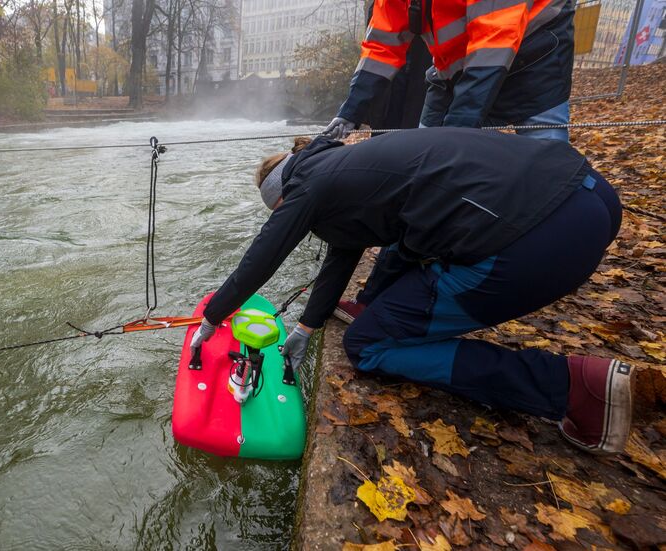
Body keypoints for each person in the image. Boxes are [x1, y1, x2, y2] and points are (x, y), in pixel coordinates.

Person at [189, 131, 632, 454]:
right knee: (404, 259)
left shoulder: (309, 187)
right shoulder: (344, 163)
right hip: (591, 197)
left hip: (533, 240)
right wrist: (309, 324)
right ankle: (373, 307)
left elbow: (264, 254)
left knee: (367, 345)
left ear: (282, 199)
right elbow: (345, 248)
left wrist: (214, 318)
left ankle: (572, 387)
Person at [323, 0, 575, 142]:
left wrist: (456, 132)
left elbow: (493, 39)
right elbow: (382, 44)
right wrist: (350, 111)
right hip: (452, 65)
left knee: (546, 161)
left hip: (535, 55)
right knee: (423, 151)